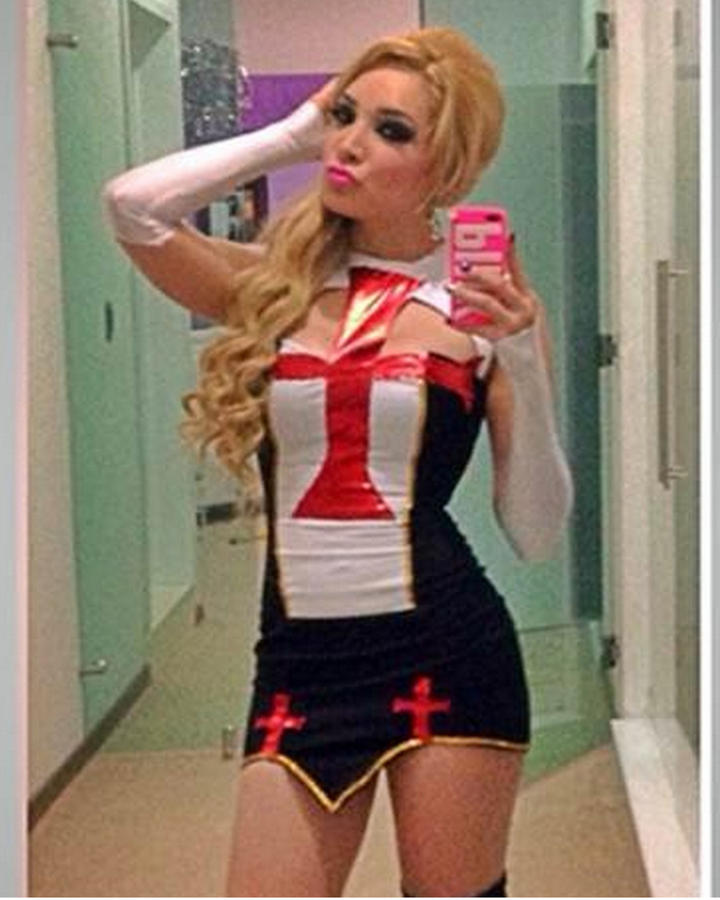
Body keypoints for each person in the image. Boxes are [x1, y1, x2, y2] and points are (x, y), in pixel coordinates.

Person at [102, 25, 573, 898]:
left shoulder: (483, 309)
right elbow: (132, 205)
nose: (350, 143)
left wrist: (520, 364)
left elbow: (536, 532)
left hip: (448, 649)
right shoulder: (273, 286)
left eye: (391, 130)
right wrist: (293, 133)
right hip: (300, 663)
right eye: (345, 115)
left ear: (447, 170)